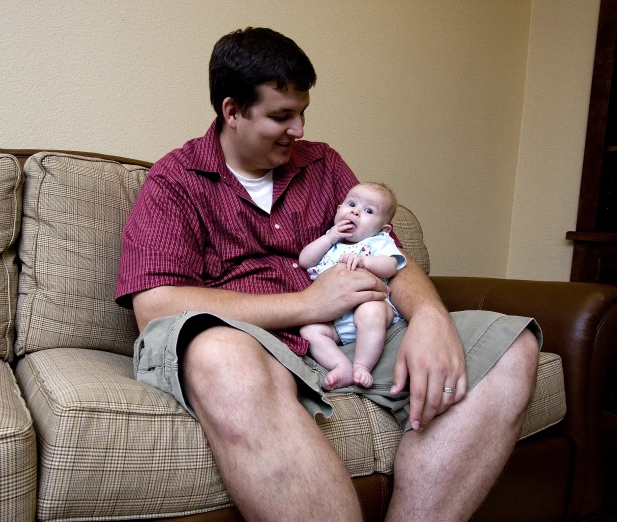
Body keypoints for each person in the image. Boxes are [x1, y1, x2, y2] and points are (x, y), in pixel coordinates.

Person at [117, 26, 541, 522]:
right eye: (281, 116)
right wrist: (307, 305)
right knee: (220, 352)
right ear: (232, 111)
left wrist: (429, 315)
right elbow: (155, 306)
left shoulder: (324, 164)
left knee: (513, 348)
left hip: (351, 337)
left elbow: (391, 257)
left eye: (302, 113)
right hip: (252, 345)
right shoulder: (175, 180)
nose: (298, 129)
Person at [299, 182, 406, 390]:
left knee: (370, 311)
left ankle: (362, 365)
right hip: (335, 322)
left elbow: (392, 265)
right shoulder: (330, 242)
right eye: (351, 204)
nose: (356, 212)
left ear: (383, 229)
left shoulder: (377, 242)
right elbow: (305, 260)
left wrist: (365, 262)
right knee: (310, 329)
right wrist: (329, 237)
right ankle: (341, 365)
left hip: (371, 310)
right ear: (339, 210)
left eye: (368, 211)